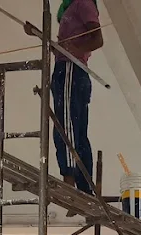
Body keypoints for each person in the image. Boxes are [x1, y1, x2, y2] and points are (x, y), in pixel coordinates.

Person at [51, 0, 103, 194]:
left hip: (71, 69)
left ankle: (70, 177)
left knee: (66, 125)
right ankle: (84, 186)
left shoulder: (82, 3)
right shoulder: (72, 7)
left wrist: (74, 52)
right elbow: (69, 45)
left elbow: (97, 39)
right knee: (76, 129)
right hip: (70, 68)